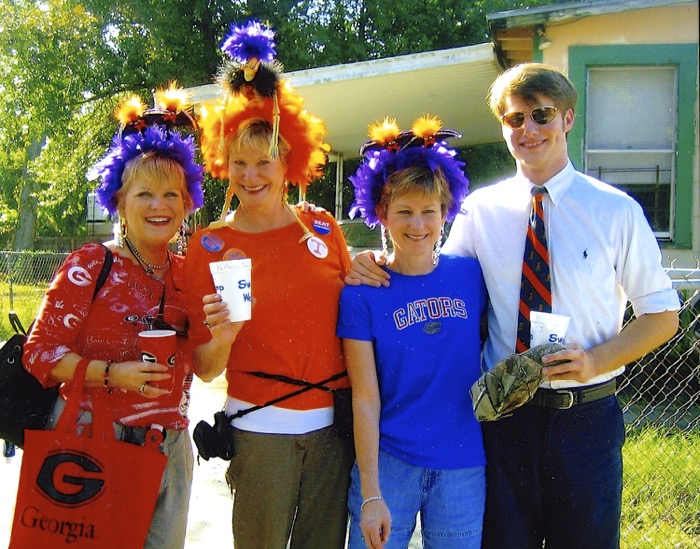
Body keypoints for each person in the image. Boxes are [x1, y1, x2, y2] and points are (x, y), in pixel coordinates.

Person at [347, 63, 680, 548]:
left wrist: (596, 361)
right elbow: (429, 274)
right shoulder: (481, 211)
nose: (528, 129)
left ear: (567, 119)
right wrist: (372, 260)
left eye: (541, 115)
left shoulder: (615, 210)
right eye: (514, 119)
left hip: (584, 418)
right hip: (504, 419)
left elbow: (662, 317)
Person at [184, 21, 353, 549]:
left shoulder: (323, 227)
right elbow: (204, 366)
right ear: (224, 165)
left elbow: (356, 312)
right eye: (239, 163)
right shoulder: (208, 245)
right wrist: (227, 335)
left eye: (264, 161)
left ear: (288, 162)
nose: (251, 174)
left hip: (333, 432)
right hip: (258, 431)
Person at [22, 86, 205, 548]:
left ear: (187, 204)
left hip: (169, 451)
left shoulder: (190, 275)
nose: (159, 205)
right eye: (144, 193)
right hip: (93, 445)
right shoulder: (91, 264)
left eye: (171, 194)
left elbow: (206, 362)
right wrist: (112, 374)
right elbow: (39, 353)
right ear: (119, 202)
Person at [337, 116, 486, 549]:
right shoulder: (363, 293)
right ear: (381, 213)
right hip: (390, 465)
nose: (417, 224)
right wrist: (370, 492)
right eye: (404, 211)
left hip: (462, 463)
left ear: (446, 211)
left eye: (429, 211)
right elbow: (365, 397)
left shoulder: (470, 275)